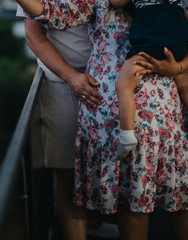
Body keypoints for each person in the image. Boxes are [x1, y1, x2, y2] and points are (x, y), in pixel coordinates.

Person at [16, 0, 188, 239]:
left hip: (165, 121)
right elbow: (54, 15)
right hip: (114, 123)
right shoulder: (97, 4)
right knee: (131, 202)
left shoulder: (167, 3)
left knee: (187, 193)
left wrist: (179, 66)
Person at [15, 7, 121, 240]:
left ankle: (94, 223)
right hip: (61, 83)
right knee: (68, 174)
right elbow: (34, 35)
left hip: (110, 78)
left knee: (105, 165)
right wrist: (71, 77)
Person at [114, 0, 188, 159]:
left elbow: (116, 3)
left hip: (150, 41)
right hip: (177, 42)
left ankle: (127, 137)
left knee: (124, 86)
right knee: (184, 82)